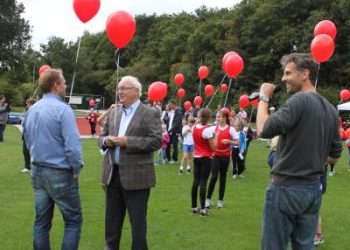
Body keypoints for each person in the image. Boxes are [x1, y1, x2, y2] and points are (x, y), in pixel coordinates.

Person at [256, 53, 342, 250]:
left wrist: (263, 97)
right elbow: (335, 156)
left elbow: (263, 129)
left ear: (305, 74)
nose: (284, 78)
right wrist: (312, 155)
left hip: (286, 187)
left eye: (288, 73)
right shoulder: (330, 109)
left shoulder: (299, 101)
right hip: (312, 190)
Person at [98, 76, 162, 250]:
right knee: (111, 223)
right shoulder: (114, 112)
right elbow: (101, 137)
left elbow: (156, 141)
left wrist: (129, 142)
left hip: (138, 178)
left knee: (138, 225)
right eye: (118, 89)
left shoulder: (149, 112)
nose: (120, 92)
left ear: (136, 91)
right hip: (113, 177)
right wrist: (106, 141)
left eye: (124, 88)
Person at [23, 69, 84, 250]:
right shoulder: (63, 110)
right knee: (73, 222)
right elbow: (73, 146)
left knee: (41, 222)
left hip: (37, 170)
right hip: (60, 171)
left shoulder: (32, 109)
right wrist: (76, 168)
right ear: (56, 85)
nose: (65, 85)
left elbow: (27, 140)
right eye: (63, 82)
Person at [206, 109, 238, 209]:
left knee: (223, 178)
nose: (217, 119)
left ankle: (220, 201)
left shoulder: (231, 129)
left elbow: (237, 142)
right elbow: (205, 136)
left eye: (219, 117)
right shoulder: (213, 128)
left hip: (226, 156)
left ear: (224, 118)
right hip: (216, 155)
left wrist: (229, 141)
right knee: (214, 177)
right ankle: (208, 200)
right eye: (217, 117)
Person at [190, 108, 217, 216]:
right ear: (209, 118)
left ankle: (193, 207)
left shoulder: (194, 128)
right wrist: (216, 137)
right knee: (203, 182)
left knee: (196, 181)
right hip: (206, 157)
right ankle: (203, 209)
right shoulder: (208, 130)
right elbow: (212, 148)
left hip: (196, 156)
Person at [20, 98, 36, 173]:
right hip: (30, 134)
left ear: (30, 104)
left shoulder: (30, 111)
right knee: (27, 151)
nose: (26, 105)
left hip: (29, 135)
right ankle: (29, 167)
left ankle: (29, 167)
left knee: (28, 151)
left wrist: (22, 119)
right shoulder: (33, 111)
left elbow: (24, 124)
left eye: (27, 104)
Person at [165, 99, 183, 164]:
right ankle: (168, 158)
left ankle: (175, 159)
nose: (169, 106)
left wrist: (169, 130)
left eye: (170, 104)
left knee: (175, 146)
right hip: (169, 131)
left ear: (173, 104)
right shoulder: (170, 111)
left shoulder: (179, 112)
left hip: (175, 132)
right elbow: (167, 120)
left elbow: (176, 124)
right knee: (167, 145)